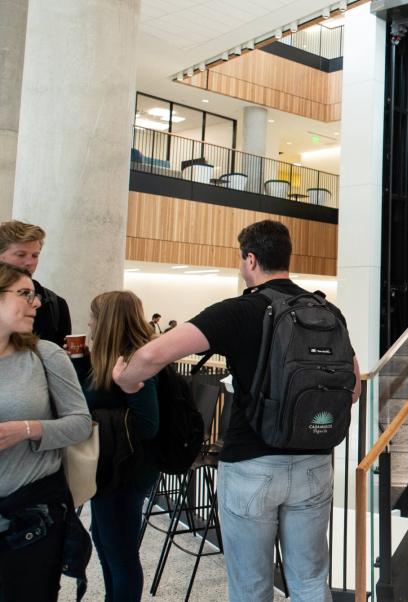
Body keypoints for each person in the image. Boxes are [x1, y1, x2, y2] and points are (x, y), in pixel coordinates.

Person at [112, 220, 362, 602]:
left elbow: (152, 354)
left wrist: (126, 381)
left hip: (252, 464)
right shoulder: (327, 310)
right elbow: (354, 388)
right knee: (311, 582)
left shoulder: (238, 310)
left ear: (250, 258)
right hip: (314, 463)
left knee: (251, 587)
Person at [0, 262, 92, 602]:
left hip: (32, 521)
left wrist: (26, 429)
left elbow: (81, 423)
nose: (36, 303)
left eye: (35, 295)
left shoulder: (46, 354)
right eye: (25, 294)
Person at [79, 290, 159, 602]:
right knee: (106, 543)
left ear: (108, 321)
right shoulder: (107, 358)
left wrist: (131, 386)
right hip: (110, 467)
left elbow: (148, 425)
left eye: (93, 316)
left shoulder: (136, 360)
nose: (89, 322)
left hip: (124, 471)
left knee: (121, 555)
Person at [0, 221, 73, 347]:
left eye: (35, 256)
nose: (29, 262)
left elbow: (61, 359)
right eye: (21, 254)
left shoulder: (55, 304)